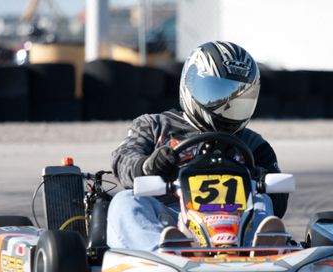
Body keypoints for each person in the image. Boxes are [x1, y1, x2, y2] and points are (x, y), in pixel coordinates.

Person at [107, 41, 288, 250]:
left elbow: (278, 200)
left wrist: (255, 176)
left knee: (262, 199)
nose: (227, 106)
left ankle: (257, 250)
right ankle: (161, 252)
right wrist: (147, 166)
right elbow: (122, 160)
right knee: (125, 201)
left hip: (237, 224)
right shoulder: (154, 126)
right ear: (192, 83)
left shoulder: (253, 144)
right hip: (170, 220)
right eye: (218, 93)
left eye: (238, 96)